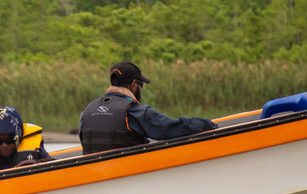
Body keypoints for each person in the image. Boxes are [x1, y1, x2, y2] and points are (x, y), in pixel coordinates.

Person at [79, 61, 216, 154]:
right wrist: (209, 125)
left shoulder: (87, 111)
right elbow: (172, 128)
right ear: (133, 85)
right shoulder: (134, 111)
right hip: (126, 173)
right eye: (140, 85)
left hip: (94, 174)